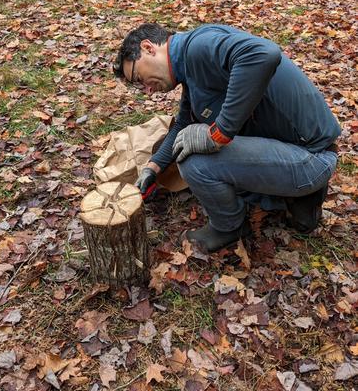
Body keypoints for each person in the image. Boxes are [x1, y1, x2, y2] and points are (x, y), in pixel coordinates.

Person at [113, 23, 341, 252]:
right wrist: (153, 168)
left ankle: (228, 227)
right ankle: (296, 198)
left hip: (312, 157)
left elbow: (264, 54)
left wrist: (219, 133)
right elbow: (184, 123)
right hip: (298, 150)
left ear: (148, 48)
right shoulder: (190, 65)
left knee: (194, 162)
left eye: (138, 78)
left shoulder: (198, 48)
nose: (147, 90)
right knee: (192, 140)